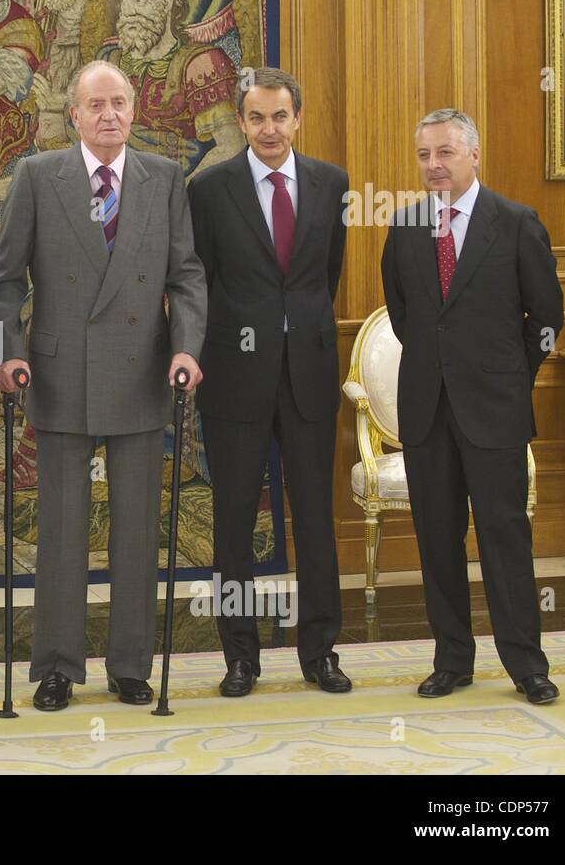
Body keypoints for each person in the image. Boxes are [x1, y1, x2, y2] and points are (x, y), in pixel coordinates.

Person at [0, 60, 207, 711]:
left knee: (138, 531)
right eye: (97, 105)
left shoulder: (165, 179)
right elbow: (4, 283)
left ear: (133, 111)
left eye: (120, 103)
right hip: (60, 374)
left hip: (142, 372)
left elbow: (186, 275)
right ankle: (56, 667)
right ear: (74, 115)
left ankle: (130, 665)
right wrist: (8, 353)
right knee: (61, 533)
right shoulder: (36, 176)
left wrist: (187, 350)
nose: (110, 114)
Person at [381, 108, 563, 705]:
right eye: (425, 155)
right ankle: (452, 659)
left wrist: (511, 378)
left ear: (473, 155)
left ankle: (527, 665)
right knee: (437, 539)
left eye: (445, 153)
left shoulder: (515, 223)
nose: (433, 165)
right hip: (428, 410)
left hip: (496, 412)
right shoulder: (404, 227)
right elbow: (406, 314)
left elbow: (547, 316)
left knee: (504, 537)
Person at [188, 67, 352, 697]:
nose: (268, 128)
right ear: (241, 121)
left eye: (279, 116)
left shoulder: (330, 183)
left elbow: (324, 276)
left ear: (297, 118)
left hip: (308, 375)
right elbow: (199, 283)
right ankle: (240, 657)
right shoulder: (209, 190)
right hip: (233, 378)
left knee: (314, 518)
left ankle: (321, 652)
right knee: (234, 523)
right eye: (256, 117)